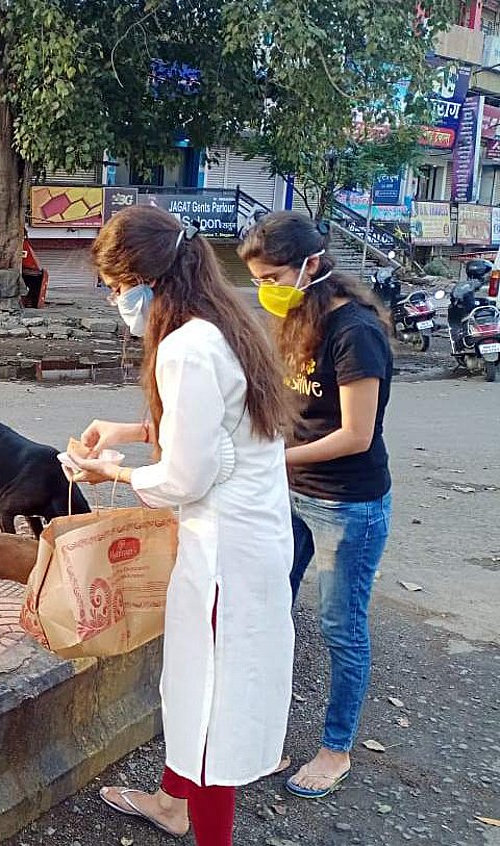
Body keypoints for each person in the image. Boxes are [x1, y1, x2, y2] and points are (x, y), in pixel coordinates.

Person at [68, 206, 295, 844]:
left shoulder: (185, 348)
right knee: (199, 689)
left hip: (225, 552)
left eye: (117, 287)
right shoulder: (223, 324)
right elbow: (219, 430)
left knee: (211, 710)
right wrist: (132, 431)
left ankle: (206, 829)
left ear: (146, 281)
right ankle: (173, 803)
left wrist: (110, 473)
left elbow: (186, 478)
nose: (116, 301)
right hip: (249, 539)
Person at [238, 211, 393, 800]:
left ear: (312, 264)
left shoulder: (355, 331)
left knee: (341, 627)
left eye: (274, 277)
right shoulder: (293, 320)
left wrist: (273, 461)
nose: (266, 290)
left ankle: (336, 748)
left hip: (346, 505)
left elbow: (356, 434)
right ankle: (263, 737)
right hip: (290, 495)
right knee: (271, 608)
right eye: (258, 280)